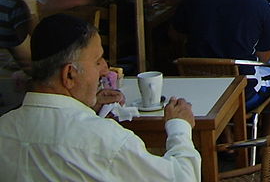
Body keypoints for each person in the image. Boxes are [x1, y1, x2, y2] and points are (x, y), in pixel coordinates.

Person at [0, 13, 201, 180]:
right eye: (97, 61)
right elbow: (183, 177)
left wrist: (88, 112)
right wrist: (179, 128)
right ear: (69, 74)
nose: (105, 69)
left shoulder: (5, 129)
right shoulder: (106, 141)